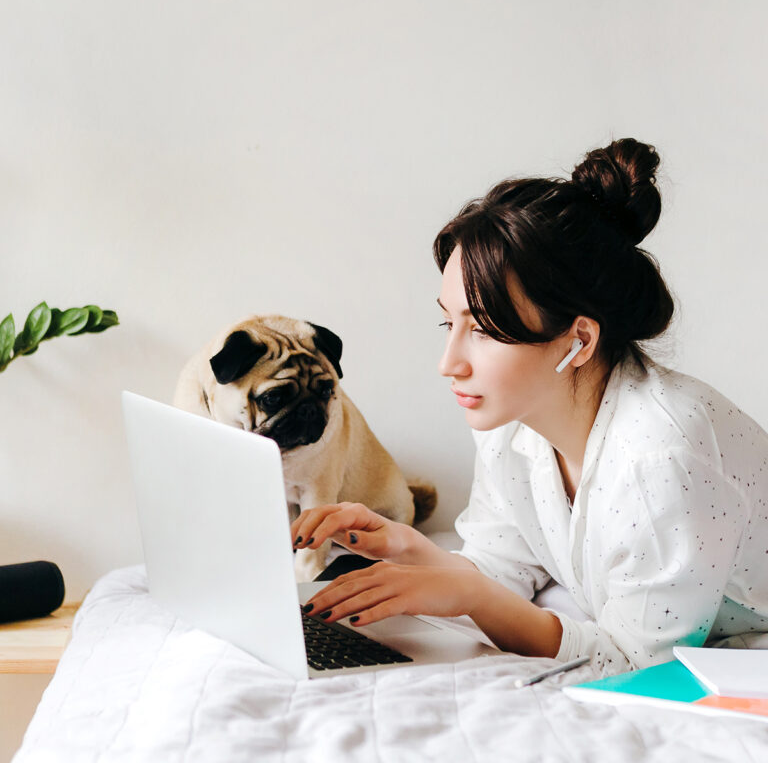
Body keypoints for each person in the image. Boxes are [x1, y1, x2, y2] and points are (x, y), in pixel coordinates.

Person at [290, 138, 768, 674]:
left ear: (578, 342)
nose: (449, 363)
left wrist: (473, 597)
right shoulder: (511, 421)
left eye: (485, 331)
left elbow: (638, 661)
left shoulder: (662, 458)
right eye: (451, 324)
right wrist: (410, 550)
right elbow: (503, 567)